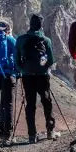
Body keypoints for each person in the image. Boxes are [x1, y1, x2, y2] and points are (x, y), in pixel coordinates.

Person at [15, 14, 58, 143]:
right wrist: (43, 67)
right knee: (46, 101)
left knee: (30, 104)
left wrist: (23, 70)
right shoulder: (46, 40)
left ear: (30, 23)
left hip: (27, 77)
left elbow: (16, 60)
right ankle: (50, 131)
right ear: (40, 25)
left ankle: (32, 135)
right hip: (42, 76)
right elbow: (50, 60)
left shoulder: (21, 39)